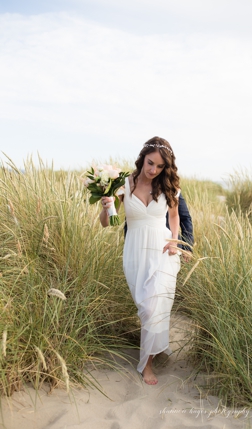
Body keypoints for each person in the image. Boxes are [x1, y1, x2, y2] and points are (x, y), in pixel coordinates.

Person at [99, 136, 182, 385]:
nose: (153, 170)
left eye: (159, 166)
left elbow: (175, 215)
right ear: (142, 157)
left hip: (161, 250)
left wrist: (175, 241)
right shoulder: (124, 184)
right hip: (135, 252)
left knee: (151, 308)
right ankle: (151, 349)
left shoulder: (168, 187)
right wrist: (106, 207)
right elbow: (107, 223)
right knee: (145, 307)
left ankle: (147, 364)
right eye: (150, 163)